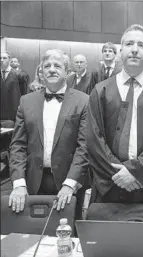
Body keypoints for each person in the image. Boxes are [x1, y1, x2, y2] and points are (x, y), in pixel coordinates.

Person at [87, 24, 143, 206]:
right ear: (121, 51)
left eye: (141, 45)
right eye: (129, 44)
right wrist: (118, 174)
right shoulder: (100, 91)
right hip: (109, 182)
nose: (135, 49)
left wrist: (136, 173)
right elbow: (94, 138)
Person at [8, 49, 89, 218]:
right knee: (31, 236)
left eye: (57, 66)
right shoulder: (26, 101)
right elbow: (18, 145)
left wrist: (70, 183)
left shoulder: (83, 101)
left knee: (67, 235)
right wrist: (19, 183)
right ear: (41, 72)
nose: (52, 69)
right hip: (33, 181)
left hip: (69, 181)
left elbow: (85, 147)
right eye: (47, 66)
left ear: (67, 72)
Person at [1, 52, 23, 128]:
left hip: (13, 114)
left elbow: (23, 94)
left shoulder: (19, 75)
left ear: (9, 60)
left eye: (4, 58)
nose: (2, 60)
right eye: (0, 58)